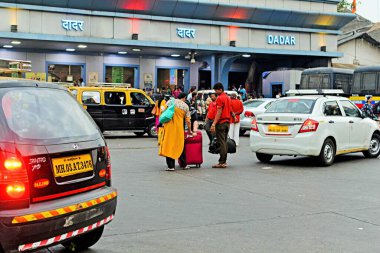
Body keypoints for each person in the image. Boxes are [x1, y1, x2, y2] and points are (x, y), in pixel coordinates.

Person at [159, 93, 193, 171]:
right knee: (180, 145)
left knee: (169, 145)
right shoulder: (185, 106)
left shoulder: (171, 101)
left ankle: (171, 166)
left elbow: (163, 110)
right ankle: (184, 165)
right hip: (179, 129)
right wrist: (190, 130)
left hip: (169, 128)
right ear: (184, 98)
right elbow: (188, 121)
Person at [210, 82, 233, 168]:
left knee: (222, 142)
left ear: (220, 89)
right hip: (227, 122)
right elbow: (230, 110)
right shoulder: (227, 97)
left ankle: (222, 162)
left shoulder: (220, 98)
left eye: (216, 90)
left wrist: (213, 124)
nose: (215, 92)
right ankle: (224, 161)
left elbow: (219, 112)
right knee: (224, 141)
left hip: (221, 123)